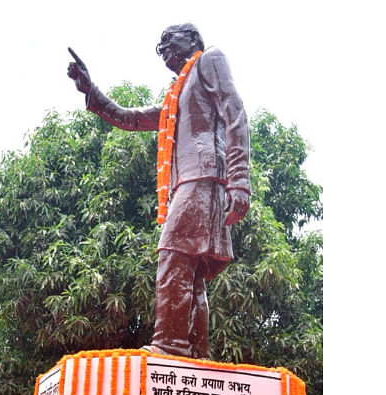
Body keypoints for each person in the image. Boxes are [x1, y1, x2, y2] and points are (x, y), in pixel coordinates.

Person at [67, 23, 250, 359]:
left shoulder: (209, 59)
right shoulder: (175, 95)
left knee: (173, 253)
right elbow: (130, 118)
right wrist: (90, 90)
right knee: (191, 272)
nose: (162, 45)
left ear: (193, 40)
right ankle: (195, 352)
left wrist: (239, 179)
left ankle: (170, 346)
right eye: (159, 42)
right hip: (192, 182)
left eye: (170, 39)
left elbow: (235, 112)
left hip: (206, 177)